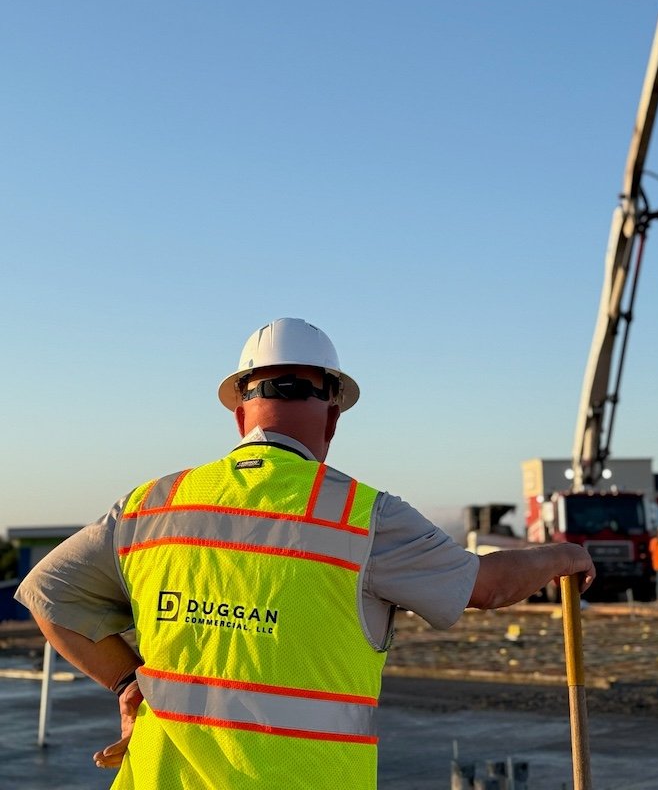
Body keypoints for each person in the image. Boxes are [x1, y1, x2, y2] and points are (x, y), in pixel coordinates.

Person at [16, 317, 595, 789]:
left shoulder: (150, 506)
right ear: (332, 417)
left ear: (241, 413)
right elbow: (485, 586)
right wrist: (560, 556)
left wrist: (125, 683)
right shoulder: (363, 517)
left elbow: (47, 594)